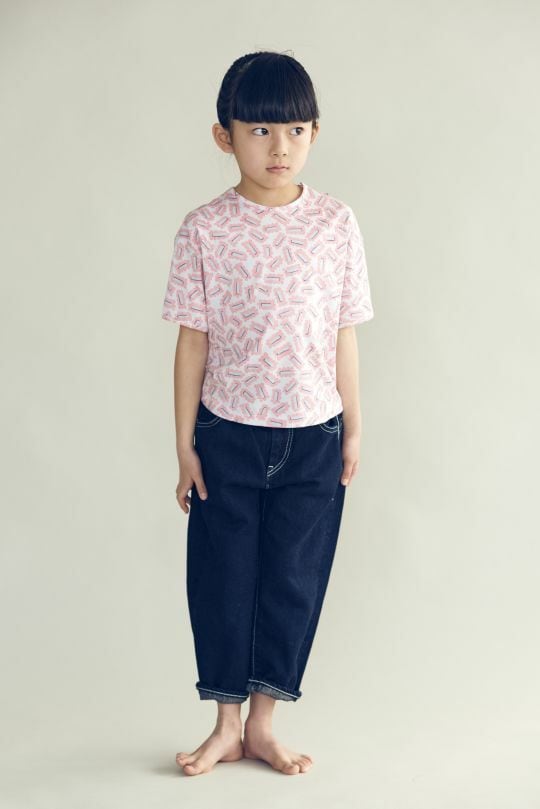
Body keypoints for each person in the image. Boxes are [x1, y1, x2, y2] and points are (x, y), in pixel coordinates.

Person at [161, 50, 374, 777]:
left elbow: (343, 332)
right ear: (224, 136)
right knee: (222, 579)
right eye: (259, 130)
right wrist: (185, 444)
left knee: (293, 581)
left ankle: (263, 723)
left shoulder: (336, 223)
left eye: (295, 130)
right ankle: (224, 724)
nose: (279, 147)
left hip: (314, 435)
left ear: (314, 133)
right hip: (227, 432)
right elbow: (193, 341)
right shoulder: (204, 228)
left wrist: (353, 427)